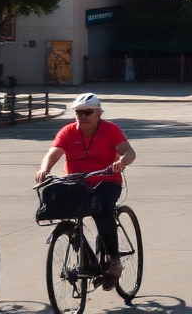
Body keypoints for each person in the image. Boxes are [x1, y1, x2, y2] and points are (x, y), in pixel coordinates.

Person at [35, 93, 136, 288]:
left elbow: (129, 152)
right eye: (79, 112)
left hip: (106, 181)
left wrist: (122, 162)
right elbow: (53, 153)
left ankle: (114, 260)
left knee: (101, 209)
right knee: (59, 208)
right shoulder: (68, 131)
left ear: (98, 113)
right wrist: (44, 169)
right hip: (76, 182)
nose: (82, 116)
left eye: (87, 112)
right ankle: (82, 250)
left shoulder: (111, 130)